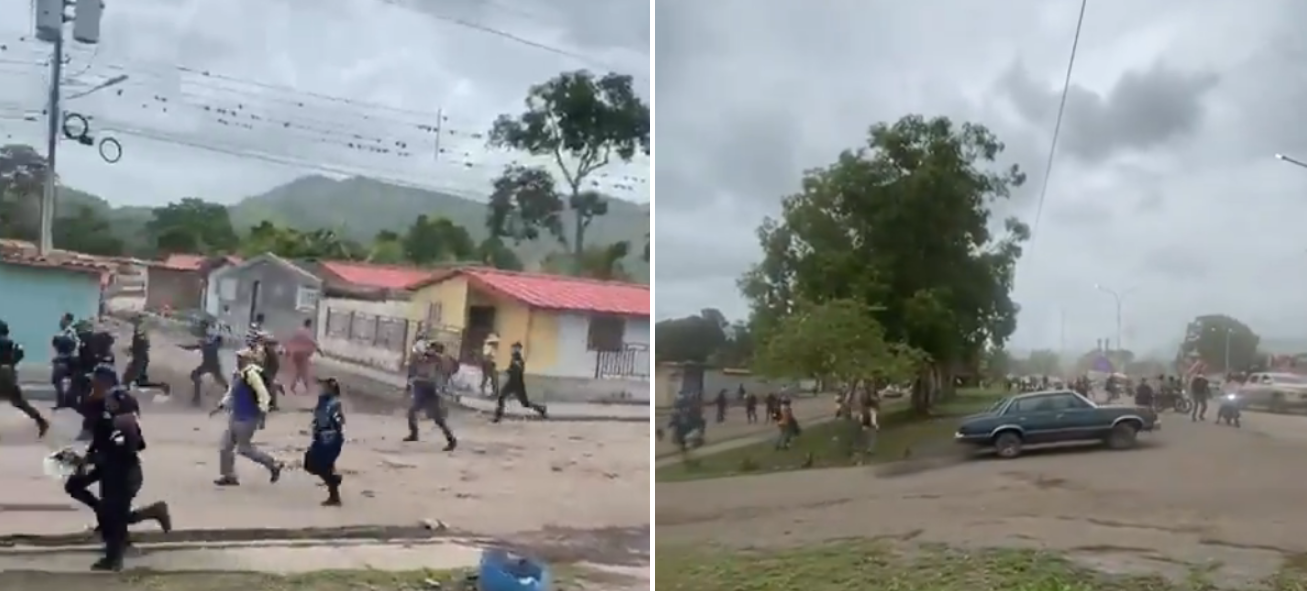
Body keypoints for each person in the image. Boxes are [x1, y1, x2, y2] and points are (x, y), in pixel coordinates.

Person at [71, 364, 171, 571]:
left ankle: (114, 558)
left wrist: (95, 458)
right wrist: (88, 458)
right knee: (107, 509)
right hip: (112, 470)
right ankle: (143, 517)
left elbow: (126, 449)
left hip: (124, 474)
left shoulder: (122, 422)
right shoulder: (108, 414)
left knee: (115, 516)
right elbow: (102, 442)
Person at [213, 347, 283, 486]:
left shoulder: (251, 373)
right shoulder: (239, 374)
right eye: (238, 357)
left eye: (241, 357)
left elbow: (263, 394)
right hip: (236, 415)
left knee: (244, 448)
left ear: (249, 359)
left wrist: (263, 414)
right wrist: (222, 405)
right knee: (225, 446)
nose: (238, 359)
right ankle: (229, 476)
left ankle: (272, 464)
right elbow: (232, 392)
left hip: (248, 417)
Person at [404, 340, 457, 450]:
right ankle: (414, 434)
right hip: (421, 388)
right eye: (429, 348)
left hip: (430, 390)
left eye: (432, 348)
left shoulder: (439, 359)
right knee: (412, 411)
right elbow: (415, 366)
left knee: (437, 418)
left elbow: (449, 366)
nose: (429, 350)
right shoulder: (423, 359)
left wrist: (434, 355)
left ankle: (451, 440)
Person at [0, 320, 49, 437]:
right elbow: (19, 354)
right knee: (19, 402)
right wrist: (12, 363)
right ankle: (40, 421)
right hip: (8, 372)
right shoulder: (10, 343)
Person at [304, 377, 346, 506]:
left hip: (329, 440)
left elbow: (339, 422)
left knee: (314, 464)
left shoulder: (334, 404)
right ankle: (334, 487)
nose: (321, 390)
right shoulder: (323, 401)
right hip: (321, 438)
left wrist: (329, 434)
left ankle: (333, 485)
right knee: (313, 464)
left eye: (324, 388)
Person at [492, 342, 547, 422]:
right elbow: (514, 370)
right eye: (512, 348)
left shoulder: (518, 359)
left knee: (524, 403)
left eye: (514, 348)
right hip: (514, 383)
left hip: (516, 384)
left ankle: (541, 409)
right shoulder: (515, 358)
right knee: (502, 397)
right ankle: (498, 416)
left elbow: (517, 371)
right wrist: (506, 371)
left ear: (517, 349)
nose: (512, 350)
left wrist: (508, 372)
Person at [121, 315, 170, 396]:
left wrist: (131, 351)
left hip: (139, 360)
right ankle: (162, 386)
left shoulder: (140, 334)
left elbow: (140, 348)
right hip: (141, 359)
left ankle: (123, 399)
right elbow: (141, 347)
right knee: (139, 382)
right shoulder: (141, 334)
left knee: (127, 380)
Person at [187, 320, 229, 407]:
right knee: (195, 375)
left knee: (221, 381)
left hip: (213, 365)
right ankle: (197, 398)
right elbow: (196, 346)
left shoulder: (214, 338)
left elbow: (220, 340)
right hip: (208, 364)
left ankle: (230, 396)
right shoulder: (207, 339)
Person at [51, 313, 79, 409]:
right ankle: (65, 401)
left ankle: (63, 402)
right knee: (59, 381)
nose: (61, 321)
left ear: (68, 320)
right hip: (65, 359)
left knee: (58, 380)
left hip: (66, 360)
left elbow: (74, 346)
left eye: (63, 319)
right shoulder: (65, 332)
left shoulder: (70, 332)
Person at [285, 318, 318, 394]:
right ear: (309, 324)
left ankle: (293, 386)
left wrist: (288, 351)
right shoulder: (307, 332)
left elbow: (291, 340)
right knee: (304, 371)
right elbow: (313, 342)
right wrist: (320, 350)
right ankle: (305, 388)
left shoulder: (297, 331)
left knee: (300, 371)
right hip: (303, 354)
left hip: (296, 353)